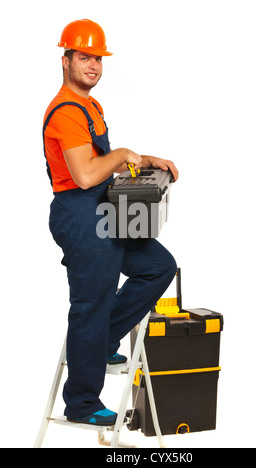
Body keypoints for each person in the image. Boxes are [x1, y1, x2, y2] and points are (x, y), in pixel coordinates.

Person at [43, 19, 178, 426]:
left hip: (103, 208)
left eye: (97, 58)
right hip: (80, 215)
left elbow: (102, 167)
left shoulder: (91, 107)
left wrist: (145, 159)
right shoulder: (65, 111)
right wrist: (122, 153)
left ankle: (102, 342)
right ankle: (82, 403)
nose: (93, 65)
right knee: (91, 303)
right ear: (65, 60)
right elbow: (85, 175)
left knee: (158, 266)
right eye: (83, 57)